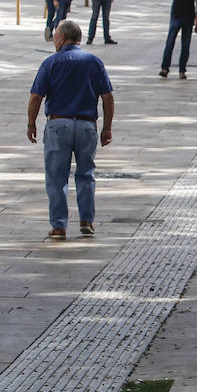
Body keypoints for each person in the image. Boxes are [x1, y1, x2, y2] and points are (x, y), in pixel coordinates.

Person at [26, 20, 115, 239]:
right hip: (86, 125)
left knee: (56, 177)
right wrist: (107, 128)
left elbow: (36, 96)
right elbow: (108, 97)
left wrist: (31, 123)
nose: (54, 39)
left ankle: (59, 225)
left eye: (55, 35)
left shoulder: (51, 62)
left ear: (62, 38)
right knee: (86, 175)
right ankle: (86, 221)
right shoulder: (94, 62)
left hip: (58, 124)